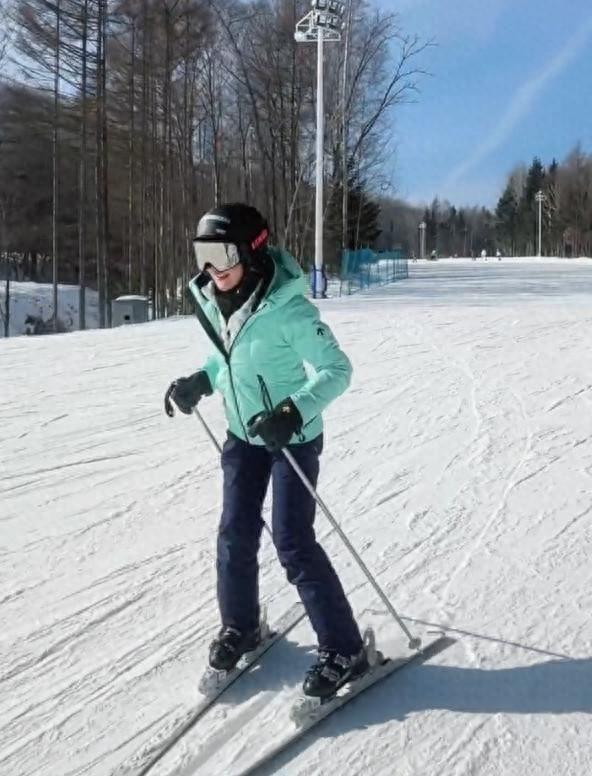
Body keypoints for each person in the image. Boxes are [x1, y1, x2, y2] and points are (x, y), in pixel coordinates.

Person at [165, 203, 366, 698]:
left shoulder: (288, 309)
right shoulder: (217, 299)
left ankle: (345, 648)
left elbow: (337, 370)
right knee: (234, 533)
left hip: (290, 439)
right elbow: (226, 358)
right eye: (204, 254)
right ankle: (242, 625)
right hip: (243, 436)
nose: (212, 268)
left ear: (252, 252)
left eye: (222, 255)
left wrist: (293, 411)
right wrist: (201, 380)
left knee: (292, 540)